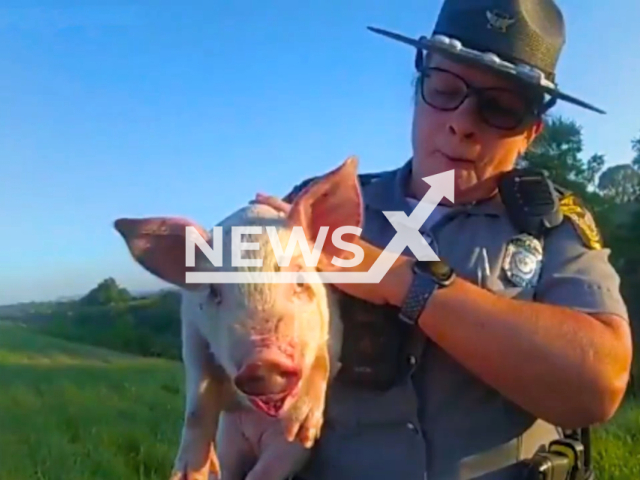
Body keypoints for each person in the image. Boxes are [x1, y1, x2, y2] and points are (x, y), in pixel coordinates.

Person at [254, 0, 633, 478]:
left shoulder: (551, 227)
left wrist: (401, 280)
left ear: (530, 133)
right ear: (418, 91)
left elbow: (597, 384)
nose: (462, 123)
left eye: (500, 109)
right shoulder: (321, 209)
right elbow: (229, 329)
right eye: (444, 88)